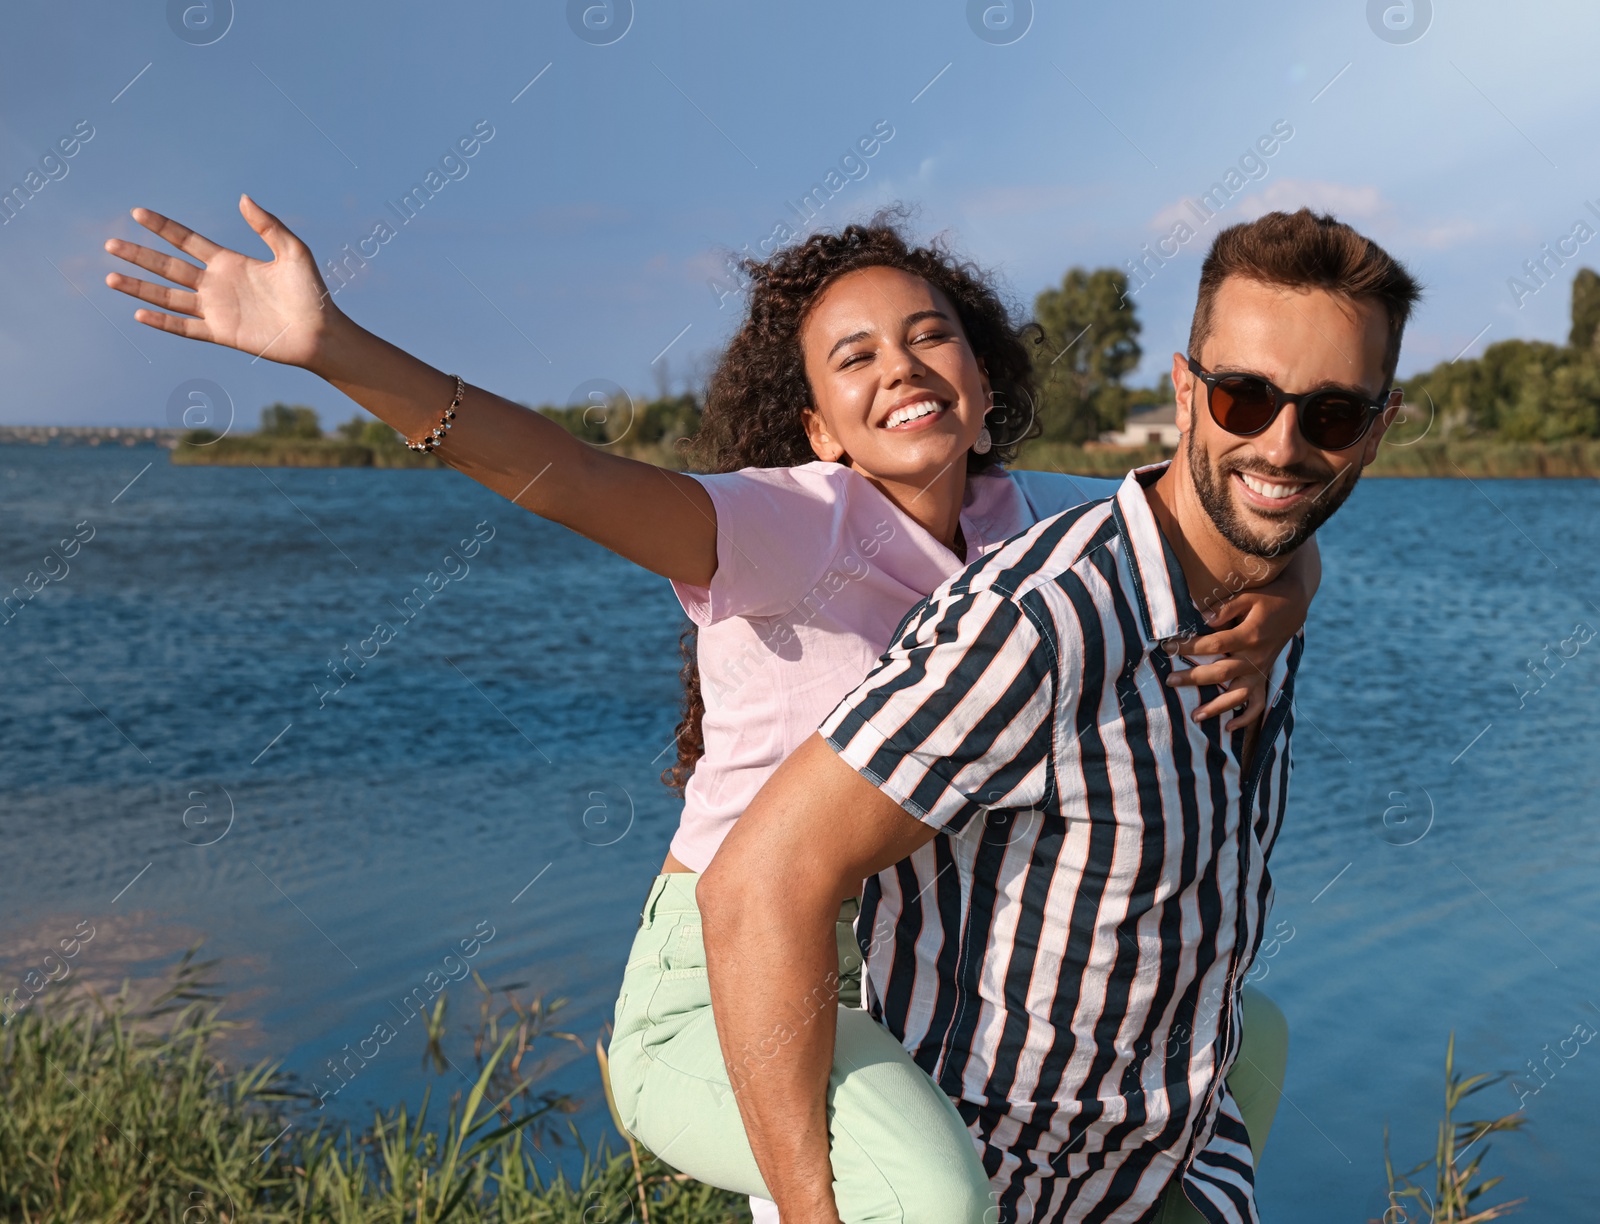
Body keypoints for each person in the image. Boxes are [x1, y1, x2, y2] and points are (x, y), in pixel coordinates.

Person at [101, 204, 1315, 1220]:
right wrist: (334, 349)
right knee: (934, 1201)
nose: (897, 366)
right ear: (817, 429)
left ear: (982, 377)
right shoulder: (790, 524)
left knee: (1230, 1044)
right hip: (722, 981)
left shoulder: (1032, 521)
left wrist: (1281, 598)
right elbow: (567, 475)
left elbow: (1245, 505)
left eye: (926, 334)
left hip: (923, 973)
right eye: (853, 358)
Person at [696, 208, 1422, 1224]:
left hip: (1149, 1173)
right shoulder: (1042, 618)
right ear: (1185, 392)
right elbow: (757, 885)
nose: (1282, 445)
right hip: (976, 1193)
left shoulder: (1263, 605)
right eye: (1243, 398)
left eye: (1332, 416)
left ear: (1378, 428)